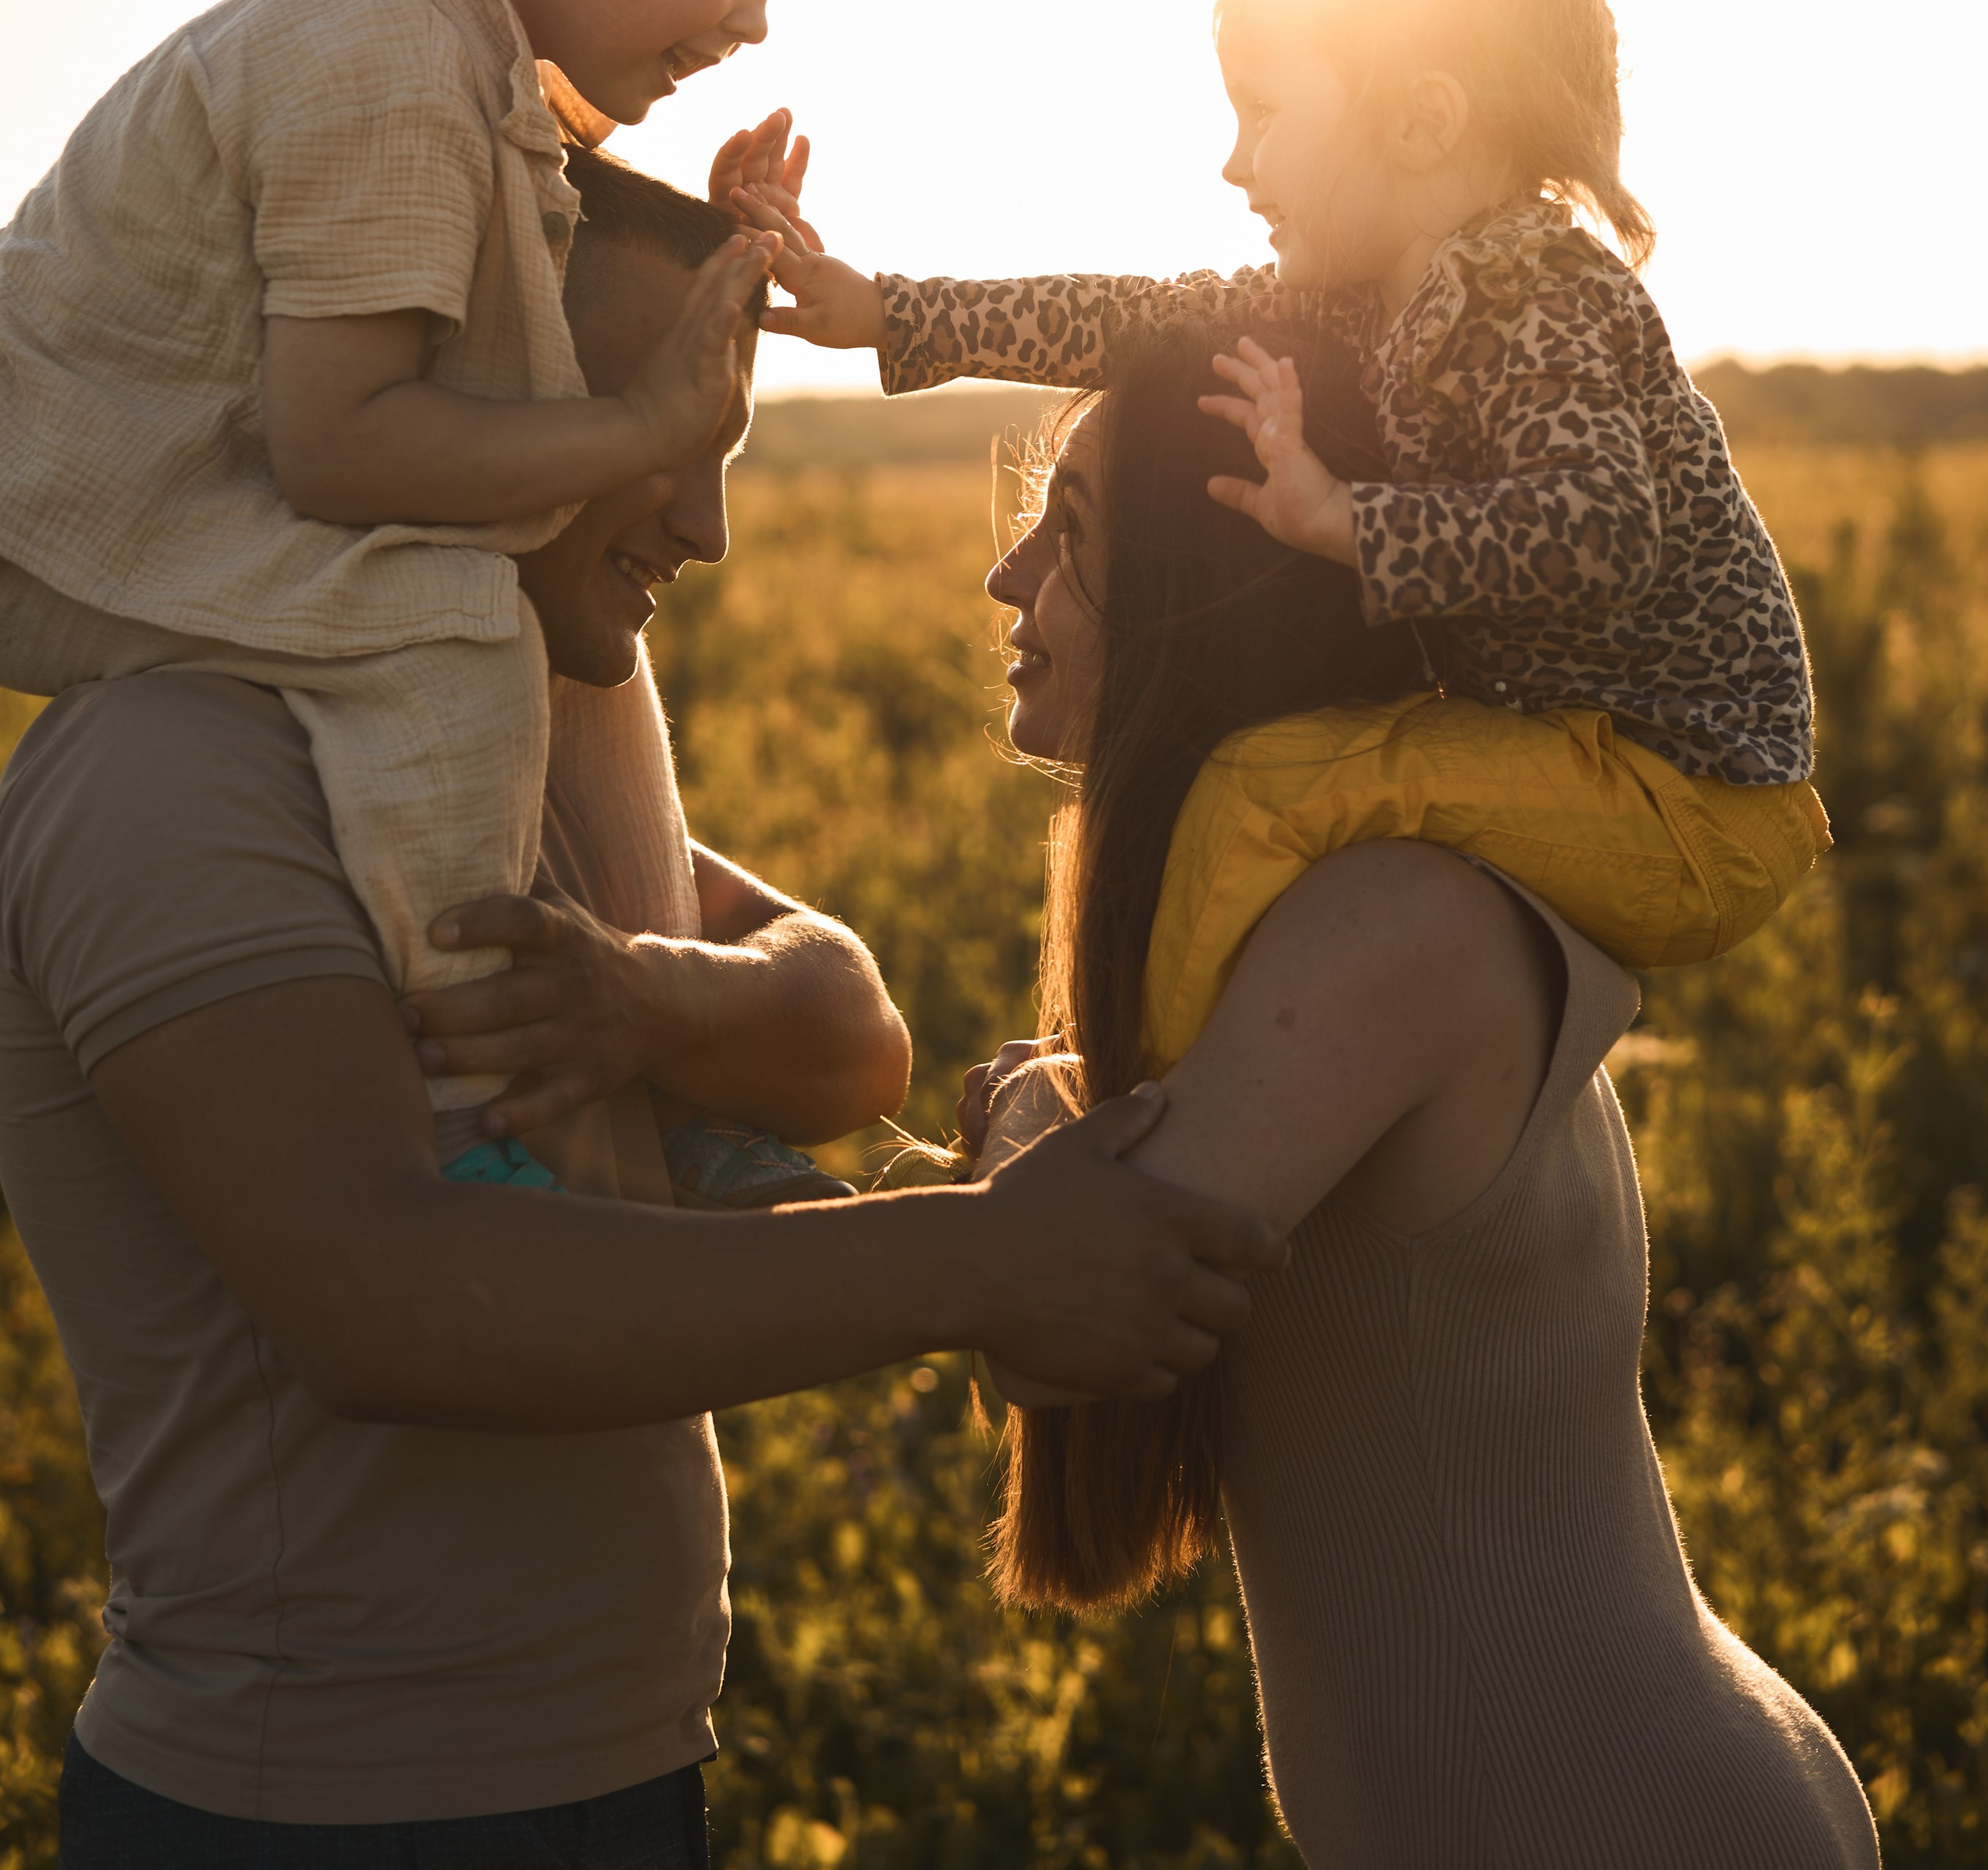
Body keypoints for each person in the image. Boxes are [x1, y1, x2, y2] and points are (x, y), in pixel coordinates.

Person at [0, 152, 1285, 1866]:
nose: (707, 525)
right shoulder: (179, 766)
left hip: (601, 1775)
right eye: (663, 441)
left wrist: (653, 1000)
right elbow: (378, 1303)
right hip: (320, 1811)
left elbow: (848, 1033)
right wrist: (980, 1261)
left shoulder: (463, 743)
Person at [962, 326, 1879, 1868]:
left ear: (1211, 598)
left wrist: (1014, 1118)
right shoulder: (1303, 930)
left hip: (1634, 1825)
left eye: (1069, 537)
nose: (1004, 582)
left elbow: (1054, 1308)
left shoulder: (1384, 921)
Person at [0, 0, 869, 1177]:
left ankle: (636, 1094)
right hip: (74, 505)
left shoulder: (420, 36)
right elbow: (339, 451)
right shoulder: (382, 57)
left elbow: (501, 211)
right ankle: (488, 1089)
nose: (752, 23)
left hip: (107, 481)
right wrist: (639, 425)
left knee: (495, 632)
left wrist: (671, 198)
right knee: (456, 629)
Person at [729, 0, 1830, 1031]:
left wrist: (1344, 520)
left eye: (1264, 113)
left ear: (1421, 121)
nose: (1235, 164)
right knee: (1292, 761)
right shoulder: (1372, 300)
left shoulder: (1538, 288)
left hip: (1695, 797)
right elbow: (1144, 317)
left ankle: (1150, 1102)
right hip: (1587, 753)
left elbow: (1602, 531)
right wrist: (891, 313)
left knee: (1263, 787)